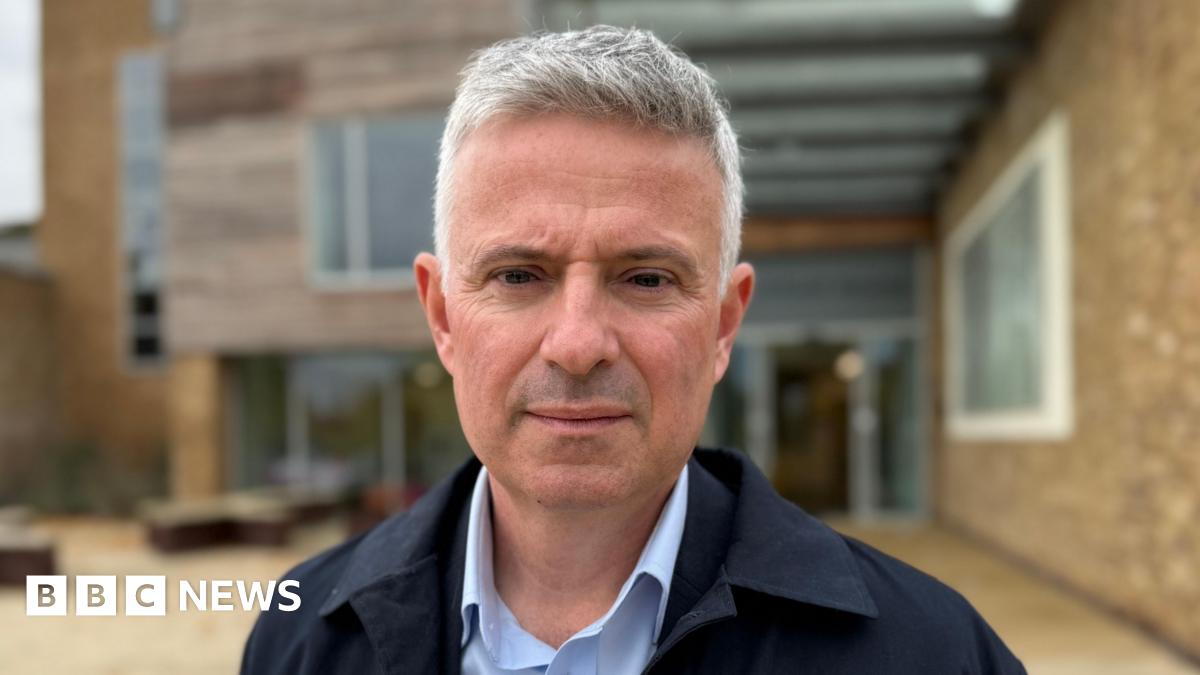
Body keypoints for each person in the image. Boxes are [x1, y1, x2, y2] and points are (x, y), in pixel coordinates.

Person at [241, 25, 1025, 675]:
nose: (579, 344)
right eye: (519, 275)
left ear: (723, 326)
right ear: (442, 315)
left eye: (646, 278)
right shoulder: (299, 638)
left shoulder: (931, 654)